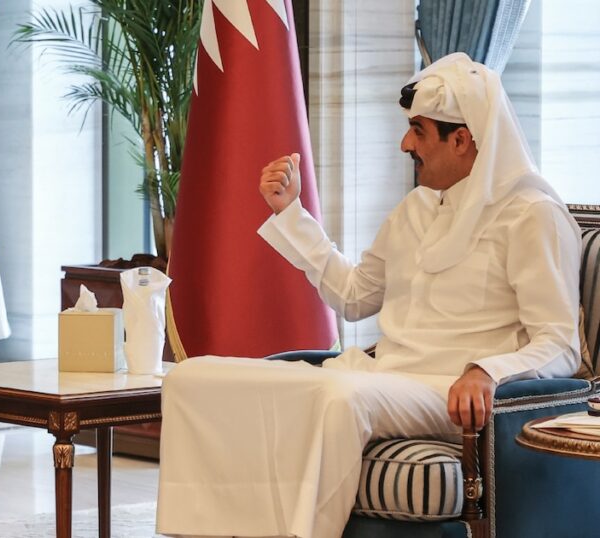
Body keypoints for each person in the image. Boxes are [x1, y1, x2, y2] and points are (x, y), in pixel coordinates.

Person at [156, 53, 581, 538]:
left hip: (444, 391)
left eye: (418, 132)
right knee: (194, 378)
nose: (406, 144)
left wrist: (487, 371)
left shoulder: (531, 215)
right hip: (376, 378)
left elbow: (561, 344)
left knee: (337, 397)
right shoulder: (416, 208)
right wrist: (291, 213)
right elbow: (355, 296)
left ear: (461, 139)